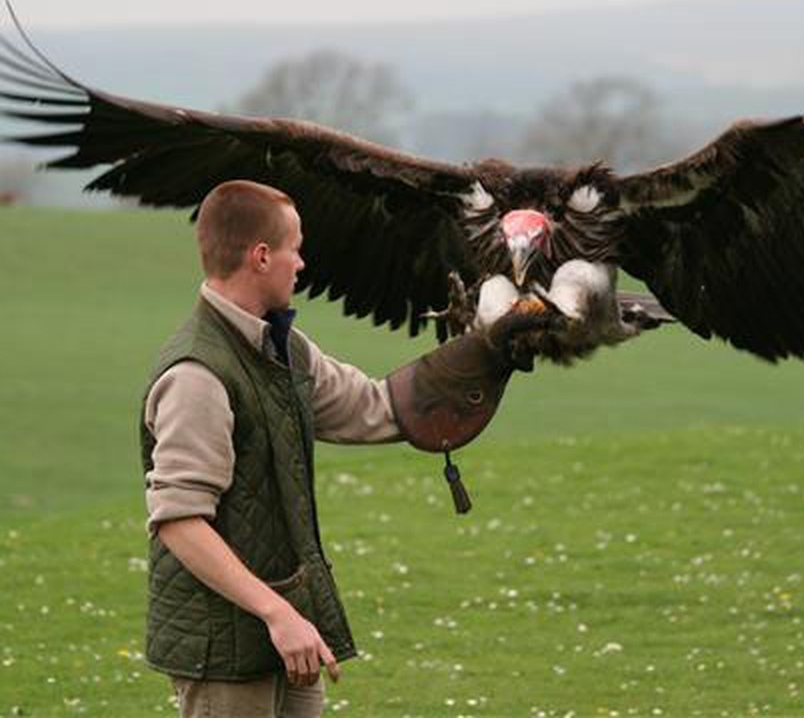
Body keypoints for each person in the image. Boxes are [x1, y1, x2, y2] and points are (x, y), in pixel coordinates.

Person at [141, 179, 538, 718]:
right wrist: (276, 614)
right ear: (261, 257)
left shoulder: (283, 348)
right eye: (295, 248)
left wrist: (490, 346)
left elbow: (376, 407)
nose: (302, 264)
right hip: (226, 645)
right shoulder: (198, 375)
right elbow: (180, 522)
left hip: (289, 627)